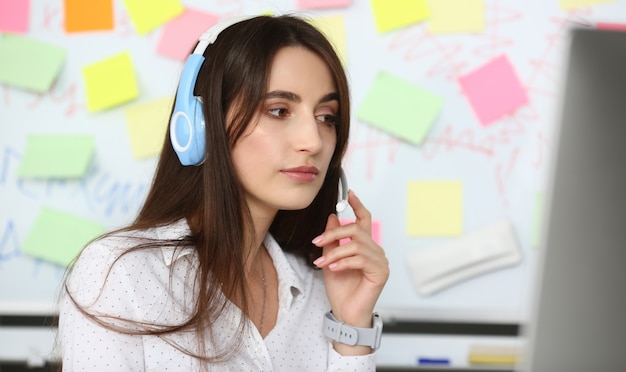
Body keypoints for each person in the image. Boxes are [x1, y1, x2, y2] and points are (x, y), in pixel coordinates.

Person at [58, 14, 389, 371]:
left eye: (327, 117)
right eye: (279, 110)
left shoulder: (321, 286)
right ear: (201, 124)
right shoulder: (118, 273)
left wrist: (352, 326)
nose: (313, 141)